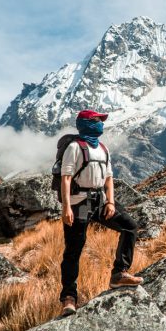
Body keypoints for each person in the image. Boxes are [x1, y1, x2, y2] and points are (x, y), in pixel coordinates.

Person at [58, 109, 142, 317]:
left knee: (129, 226)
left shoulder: (103, 149)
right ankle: (68, 299)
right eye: (97, 120)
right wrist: (66, 207)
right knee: (73, 250)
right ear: (86, 123)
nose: (100, 124)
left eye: (101, 121)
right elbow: (66, 178)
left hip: (100, 202)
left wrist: (111, 202)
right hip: (79, 203)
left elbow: (109, 179)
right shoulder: (74, 147)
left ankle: (119, 273)